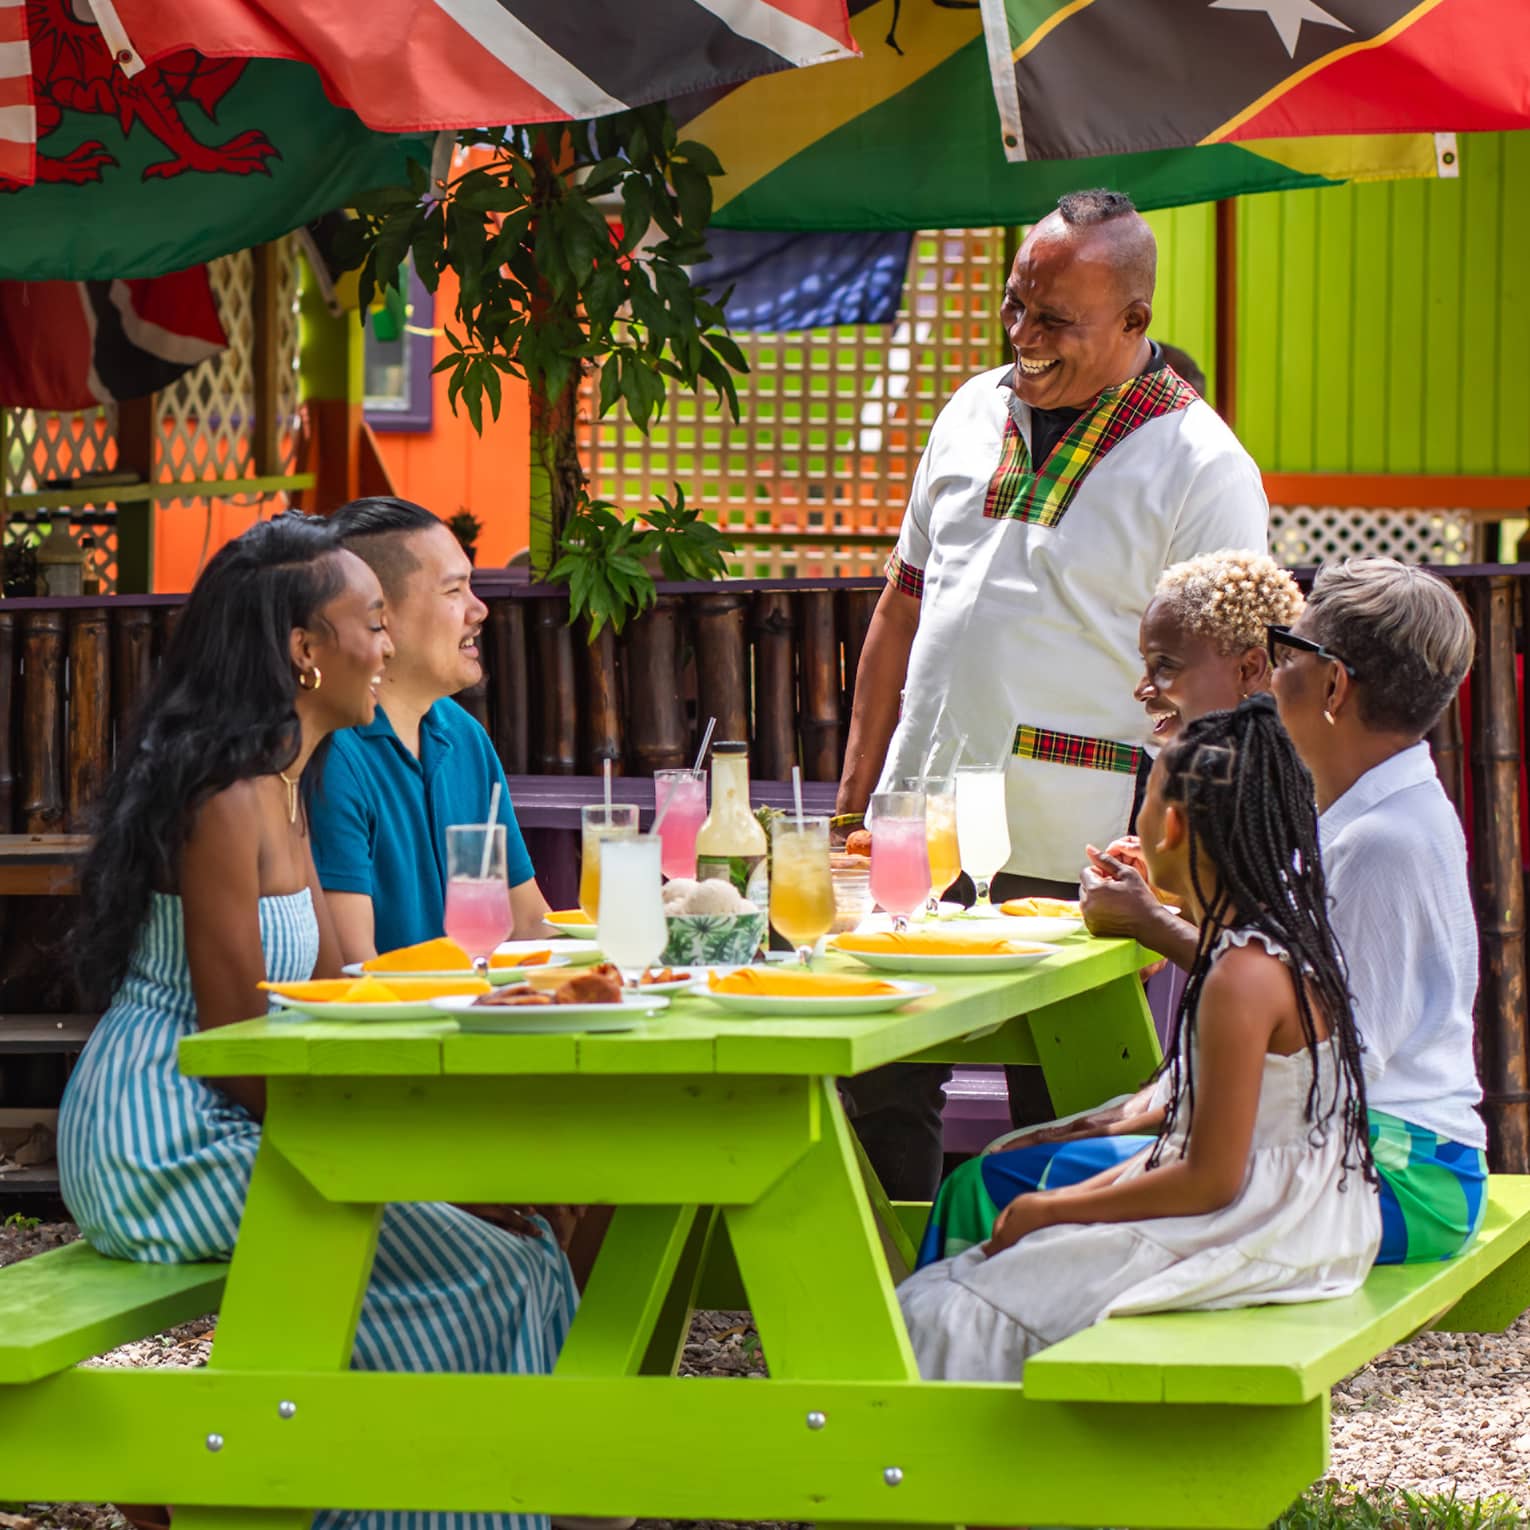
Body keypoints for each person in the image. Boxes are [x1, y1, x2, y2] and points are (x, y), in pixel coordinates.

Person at [59, 512, 578, 1530]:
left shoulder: (297, 786)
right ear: (305, 650)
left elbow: (349, 1002)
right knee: (482, 1278)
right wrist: (410, 1173)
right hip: (165, 1134)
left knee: (525, 1260)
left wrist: (509, 1009)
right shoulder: (226, 801)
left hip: (244, 1120)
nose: (385, 646)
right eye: (371, 621)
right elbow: (237, 1049)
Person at [834, 192, 1267, 1193]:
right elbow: (902, 612)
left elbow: (1222, 701)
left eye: (1055, 321)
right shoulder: (968, 410)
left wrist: (1169, 872)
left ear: (1133, 324)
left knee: (1072, 1106)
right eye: (1015, 306)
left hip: (1084, 853)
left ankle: (1051, 1326)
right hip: (912, 832)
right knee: (876, 1084)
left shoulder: (1205, 468)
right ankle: (894, 1308)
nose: (1023, 337)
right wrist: (855, 804)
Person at [921, 557, 1486, 1271]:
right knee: (1021, 1162)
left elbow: (1325, 1057)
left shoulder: (1382, 843)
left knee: (994, 1188)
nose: (1274, 673)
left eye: (1286, 653)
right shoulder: (1359, 812)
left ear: (1334, 683)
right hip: (1361, 1148)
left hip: (1398, 1176)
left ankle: (955, 1367)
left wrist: (1160, 1121)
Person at [897, 697, 1380, 1380]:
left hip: (1249, 1236)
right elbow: (1194, 1142)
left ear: (1174, 826)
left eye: (1146, 804)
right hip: (1291, 1221)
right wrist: (1066, 1204)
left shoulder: (1240, 978)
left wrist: (1049, 1206)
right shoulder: (1274, 944)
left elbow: (1210, 1179)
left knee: (937, 1313)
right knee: (973, 1272)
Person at [310, 496, 551, 964]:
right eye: (454, 590)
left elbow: (527, 924)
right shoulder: (332, 752)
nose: (479, 609)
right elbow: (353, 969)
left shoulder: (464, 736)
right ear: (378, 613)